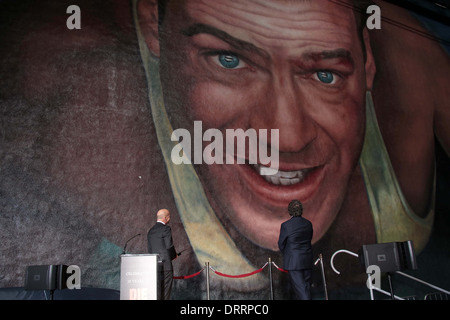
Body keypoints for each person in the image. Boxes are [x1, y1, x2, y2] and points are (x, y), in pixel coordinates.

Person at [278, 200, 313, 300]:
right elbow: (309, 239)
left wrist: (289, 254)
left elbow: (281, 244)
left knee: (302, 292)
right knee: (306, 288)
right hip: (307, 260)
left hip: (294, 262)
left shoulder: (286, 226)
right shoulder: (308, 224)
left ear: (290, 211)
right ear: (301, 210)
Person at [147, 208, 178, 300]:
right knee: (165, 294)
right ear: (166, 218)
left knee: (156, 293)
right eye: (169, 217)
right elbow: (169, 246)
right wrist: (174, 256)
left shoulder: (150, 231)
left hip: (154, 266)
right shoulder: (166, 229)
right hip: (166, 266)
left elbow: (150, 249)